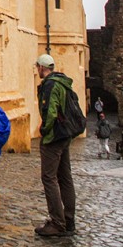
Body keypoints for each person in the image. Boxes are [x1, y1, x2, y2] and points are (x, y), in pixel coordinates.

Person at [34, 53, 77, 237]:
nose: (37, 71)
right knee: (65, 177)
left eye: (38, 67)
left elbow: (50, 112)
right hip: (66, 133)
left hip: (55, 136)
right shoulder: (63, 82)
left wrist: (44, 130)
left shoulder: (50, 85)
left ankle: (57, 222)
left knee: (49, 177)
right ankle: (69, 219)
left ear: (42, 67)